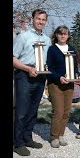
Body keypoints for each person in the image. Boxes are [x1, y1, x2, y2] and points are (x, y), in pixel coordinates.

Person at [13, 9, 51, 156]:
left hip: (40, 77)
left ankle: (27, 138)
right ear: (32, 19)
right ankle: (18, 143)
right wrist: (27, 69)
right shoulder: (23, 36)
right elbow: (14, 58)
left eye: (43, 20)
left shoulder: (47, 40)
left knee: (33, 110)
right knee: (22, 111)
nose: (40, 22)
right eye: (38, 19)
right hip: (24, 75)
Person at [46, 26, 80, 148]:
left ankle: (61, 134)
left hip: (69, 85)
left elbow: (75, 67)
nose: (62, 36)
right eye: (60, 34)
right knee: (58, 111)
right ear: (56, 35)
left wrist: (76, 75)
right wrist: (59, 77)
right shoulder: (52, 49)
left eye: (65, 34)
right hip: (55, 84)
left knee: (66, 111)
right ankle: (54, 137)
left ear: (68, 36)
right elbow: (49, 68)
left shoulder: (72, 49)